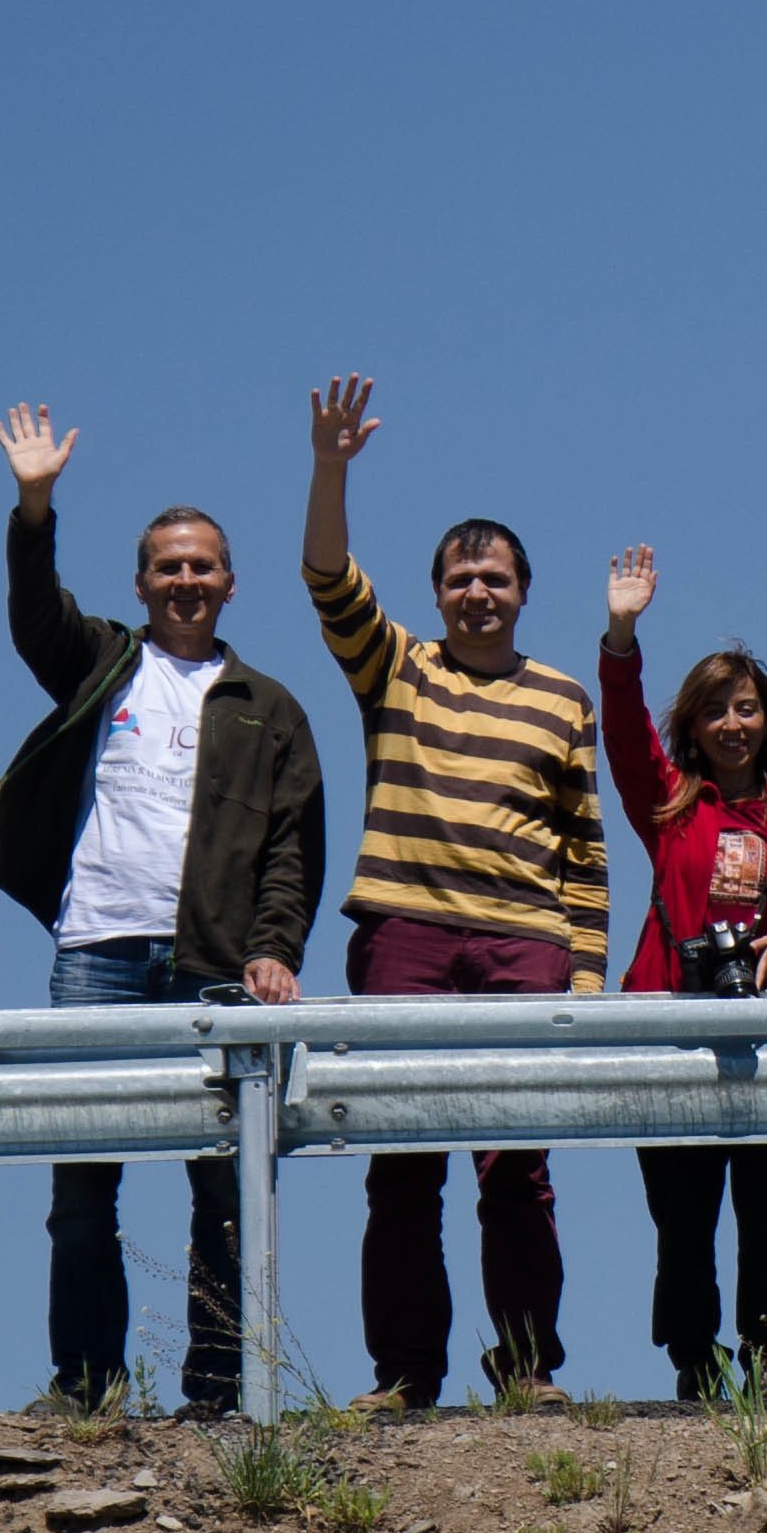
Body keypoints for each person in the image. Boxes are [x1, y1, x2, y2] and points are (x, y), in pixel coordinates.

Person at [0, 404, 329, 1419]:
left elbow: (290, 852)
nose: (186, 581)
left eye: (203, 566)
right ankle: (86, 1385)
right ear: (141, 584)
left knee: (222, 1193)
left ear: (231, 582)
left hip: (215, 969)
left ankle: (218, 1394)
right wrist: (35, 503)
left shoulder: (269, 707)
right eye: (167, 567)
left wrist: (273, 953)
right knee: (81, 1188)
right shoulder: (102, 664)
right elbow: (33, 617)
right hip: (95, 952)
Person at [300, 375, 609, 1410]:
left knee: (515, 1168)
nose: (478, 592)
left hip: (526, 944)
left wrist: (589, 975)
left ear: (524, 591)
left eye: (496, 578)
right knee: (402, 1166)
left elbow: (585, 845)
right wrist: (332, 468)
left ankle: (526, 1371)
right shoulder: (395, 670)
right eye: (461, 578)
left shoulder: (563, 697)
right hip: (405, 938)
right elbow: (328, 577)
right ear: (436, 595)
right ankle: (404, 1375)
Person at [600, 550, 767, 1398]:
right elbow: (619, 728)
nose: (732, 724)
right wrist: (622, 633)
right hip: (674, 1035)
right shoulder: (671, 802)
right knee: (682, 1219)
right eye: (715, 710)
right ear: (692, 723)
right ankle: (692, 1359)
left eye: (746, 709)